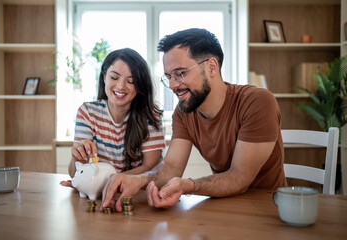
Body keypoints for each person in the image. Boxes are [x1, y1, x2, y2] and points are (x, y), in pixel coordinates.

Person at [101, 28, 287, 212]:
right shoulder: (184, 111)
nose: (173, 85)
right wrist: (139, 179)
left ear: (211, 67)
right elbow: (171, 166)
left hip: (268, 206)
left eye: (180, 73)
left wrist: (188, 186)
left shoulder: (257, 102)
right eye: (169, 77)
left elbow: (239, 177)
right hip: (224, 206)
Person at [67, 48, 165, 180]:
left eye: (131, 81)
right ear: (104, 78)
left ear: (140, 85)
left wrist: (109, 181)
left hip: (139, 192)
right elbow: (75, 174)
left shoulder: (150, 113)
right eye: (114, 77)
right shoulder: (88, 112)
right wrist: (77, 156)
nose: (120, 86)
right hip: (103, 193)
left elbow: (150, 167)